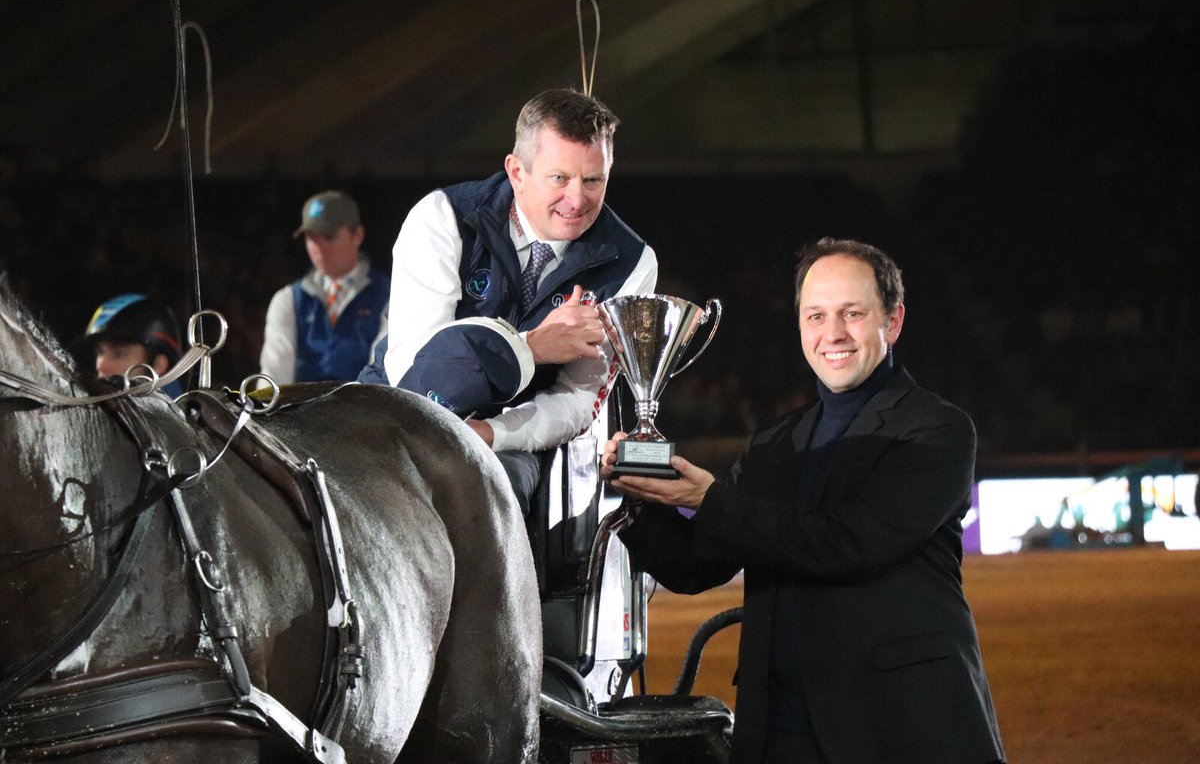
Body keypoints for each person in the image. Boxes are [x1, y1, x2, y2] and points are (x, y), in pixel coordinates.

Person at [603, 238, 1005, 763]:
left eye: (852, 313)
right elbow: (698, 565)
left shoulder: (937, 431)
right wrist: (633, 499)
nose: (832, 333)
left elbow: (847, 543)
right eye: (816, 315)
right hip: (780, 730)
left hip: (900, 725)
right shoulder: (774, 442)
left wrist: (710, 500)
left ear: (894, 321)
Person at [359, 88, 657, 512]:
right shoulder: (442, 217)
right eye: (560, 178)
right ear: (517, 172)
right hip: (394, 409)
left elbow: (577, 401)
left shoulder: (632, 262)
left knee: (487, 494)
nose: (577, 199)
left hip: (514, 439)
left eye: (594, 180)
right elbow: (416, 381)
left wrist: (493, 433)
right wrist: (530, 347)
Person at [260, 190, 389, 385]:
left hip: (364, 408)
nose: (318, 248)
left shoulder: (389, 295)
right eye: (311, 238)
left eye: (329, 236)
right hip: (301, 411)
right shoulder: (288, 299)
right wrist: (262, 412)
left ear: (358, 235)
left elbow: (383, 371)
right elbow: (274, 373)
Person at [79, 293, 185, 398]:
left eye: (119, 354)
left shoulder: (187, 413)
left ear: (159, 364)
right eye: (100, 352)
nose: (101, 366)